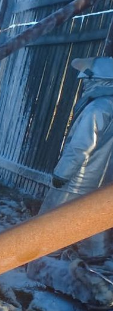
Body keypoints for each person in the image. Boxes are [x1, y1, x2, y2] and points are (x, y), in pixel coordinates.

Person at [39, 56, 113, 257]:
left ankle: (43, 256)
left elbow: (81, 146)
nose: (85, 84)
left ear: (99, 80)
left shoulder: (97, 108)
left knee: (54, 221)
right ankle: (96, 256)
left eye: (87, 80)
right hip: (104, 182)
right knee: (95, 218)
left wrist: (62, 174)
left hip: (79, 178)